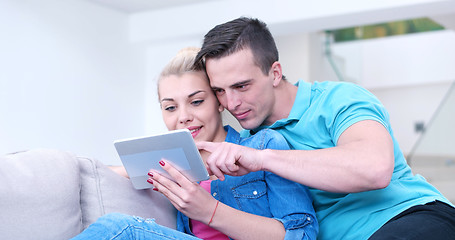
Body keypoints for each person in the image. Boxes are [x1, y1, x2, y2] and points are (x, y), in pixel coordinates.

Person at [194, 17, 455, 240]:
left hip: (408, 216)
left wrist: (263, 159)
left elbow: (374, 169)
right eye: (220, 91)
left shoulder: (337, 99)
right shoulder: (242, 146)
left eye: (241, 86)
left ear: (274, 73)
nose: (231, 103)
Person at [71, 47, 318, 240]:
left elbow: (301, 234)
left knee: (121, 228)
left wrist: (209, 210)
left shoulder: (264, 145)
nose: (183, 116)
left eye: (196, 101)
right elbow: (105, 172)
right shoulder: (169, 162)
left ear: (220, 101)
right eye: (170, 107)